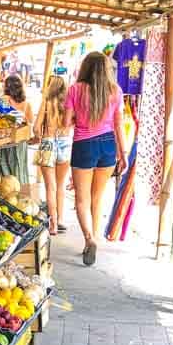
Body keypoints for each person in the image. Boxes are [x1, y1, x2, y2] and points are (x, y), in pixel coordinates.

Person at [66, 51, 127, 266]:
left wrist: (77, 117)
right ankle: (94, 241)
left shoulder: (75, 89)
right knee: (97, 198)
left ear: (85, 68)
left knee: (81, 200)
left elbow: (67, 123)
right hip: (108, 145)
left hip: (83, 145)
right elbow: (119, 123)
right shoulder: (116, 91)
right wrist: (123, 152)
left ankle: (89, 239)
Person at [32, 75, 73, 235]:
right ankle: (60, 219)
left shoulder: (47, 103)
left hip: (48, 143)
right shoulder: (68, 104)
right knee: (60, 185)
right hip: (65, 142)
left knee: (50, 187)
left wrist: (38, 135)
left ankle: (53, 224)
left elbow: (36, 128)